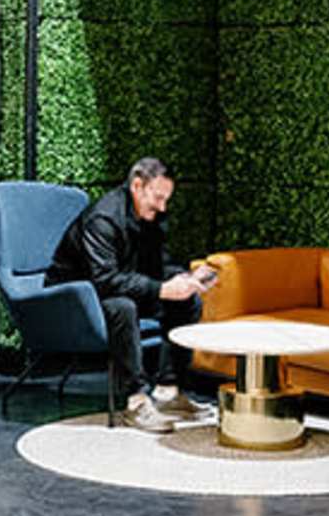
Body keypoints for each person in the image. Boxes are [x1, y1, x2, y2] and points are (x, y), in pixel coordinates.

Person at [46, 156, 217, 432]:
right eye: (158, 198)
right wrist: (162, 289)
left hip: (115, 288)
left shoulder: (151, 216)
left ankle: (168, 392)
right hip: (76, 298)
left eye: (166, 199)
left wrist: (185, 278)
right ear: (137, 186)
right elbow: (105, 280)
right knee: (122, 307)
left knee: (187, 302)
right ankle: (135, 402)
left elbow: (155, 266)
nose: (163, 207)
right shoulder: (103, 219)